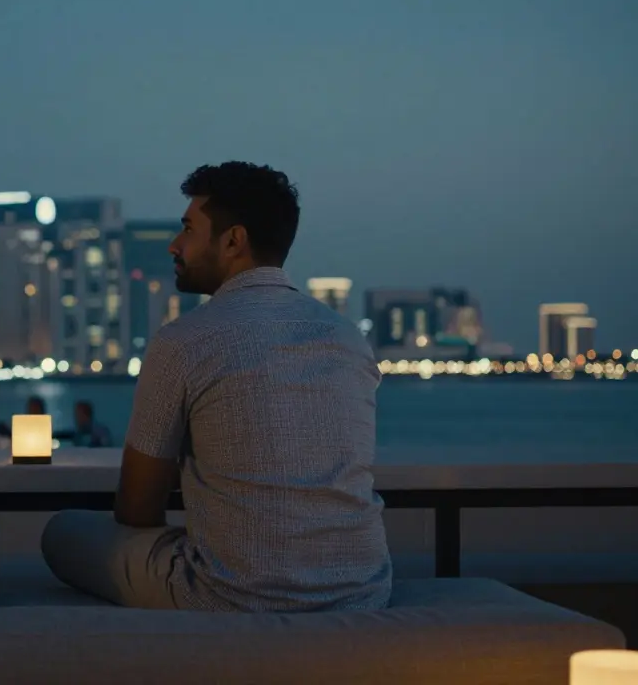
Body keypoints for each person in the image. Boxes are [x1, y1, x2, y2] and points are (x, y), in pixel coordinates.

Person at [42, 162, 392, 613]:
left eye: (188, 228)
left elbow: (137, 509)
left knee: (61, 532)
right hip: (362, 592)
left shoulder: (185, 340)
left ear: (233, 240)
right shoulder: (348, 337)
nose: (174, 244)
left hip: (230, 597)